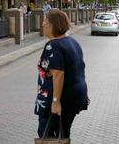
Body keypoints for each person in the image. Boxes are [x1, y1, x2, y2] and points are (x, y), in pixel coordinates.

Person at [35, 10, 88, 139]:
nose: (43, 24)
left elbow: (58, 74)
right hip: (75, 96)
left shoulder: (53, 46)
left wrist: (55, 101)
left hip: (60, 98)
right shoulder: (72, 42)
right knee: (63, 132)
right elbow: (79, 68)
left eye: (45, 22)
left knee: (45, 134)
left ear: (53, 25)